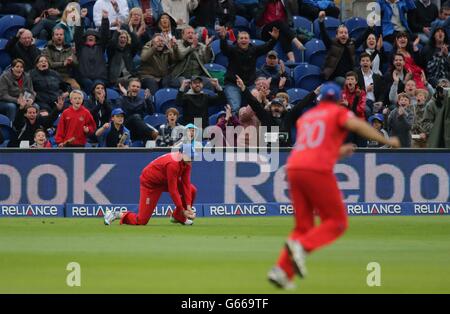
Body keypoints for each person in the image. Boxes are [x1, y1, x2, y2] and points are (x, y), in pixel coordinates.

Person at [267, 82, 400, 289]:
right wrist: (388, 141)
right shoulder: (337, 112)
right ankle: (302, 246)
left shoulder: (306, 118)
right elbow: (356, 125)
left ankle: (281, 271)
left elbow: (311, 147)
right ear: (338, 100)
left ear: (320, 100)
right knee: (337, 222)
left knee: (303, 227)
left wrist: (339, 151)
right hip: (316, 170)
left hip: (293, 167)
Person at [104, 143, 198, 226]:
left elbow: (186, 184)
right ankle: (115, 214)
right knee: (141, 221)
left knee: (192, 189)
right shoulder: (173, 164)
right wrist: (182, 210)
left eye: (192, 156)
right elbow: (173, 190)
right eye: (190, 156)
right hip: (150, 183)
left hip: (164, 180)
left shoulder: (187, 162)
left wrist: (189, 207)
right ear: (181, 154)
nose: (191, 159)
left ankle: (179, 217)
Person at [237, 75, 320, 147]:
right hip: (268, 151)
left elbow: (301, 105)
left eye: (279, 106)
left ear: (283, 108)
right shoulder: (265, 115)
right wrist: (244, 88)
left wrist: (315, 93)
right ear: (270, 107)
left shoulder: (288, 116)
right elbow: (254, 103)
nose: (276, 108)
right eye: (274, 106)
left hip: (285, 152)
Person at [218, 26, 279, 112]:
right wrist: (223, 38)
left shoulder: (253, 49)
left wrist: (274, 39)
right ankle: (234, 125)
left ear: (249, 40)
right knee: (235, 108)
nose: (243, 40)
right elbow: (224, 49)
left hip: (249, 84)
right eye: (241, 38)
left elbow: (266, 47)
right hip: (233, 84)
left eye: (246, 38)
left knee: (257, 105)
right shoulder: (232, 50)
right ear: (238, 40)